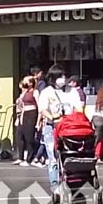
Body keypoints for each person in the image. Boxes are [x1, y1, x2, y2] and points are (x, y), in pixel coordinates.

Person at [38, 65, 72, 195]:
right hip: (52, 127)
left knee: (70, 155)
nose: (63, 78)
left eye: (64, 76)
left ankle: (70, 181)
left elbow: (77, 107)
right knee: (53, 157)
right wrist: (52, 117)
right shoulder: (46, 92)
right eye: (60, 76)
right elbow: (43, 109)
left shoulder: (70, 91)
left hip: (68, 127)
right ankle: (54, 184)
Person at [13, 76, 40, 167]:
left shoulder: (35, 92)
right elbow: (19, 102)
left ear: (31, 83)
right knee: (19, 135)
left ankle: (30, 158)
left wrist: (39, 120)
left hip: (31, 113)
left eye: (26, 81)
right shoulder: (25, 92)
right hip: (23, 114)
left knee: (29, 137)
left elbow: (39, 105)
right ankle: (20, 157)